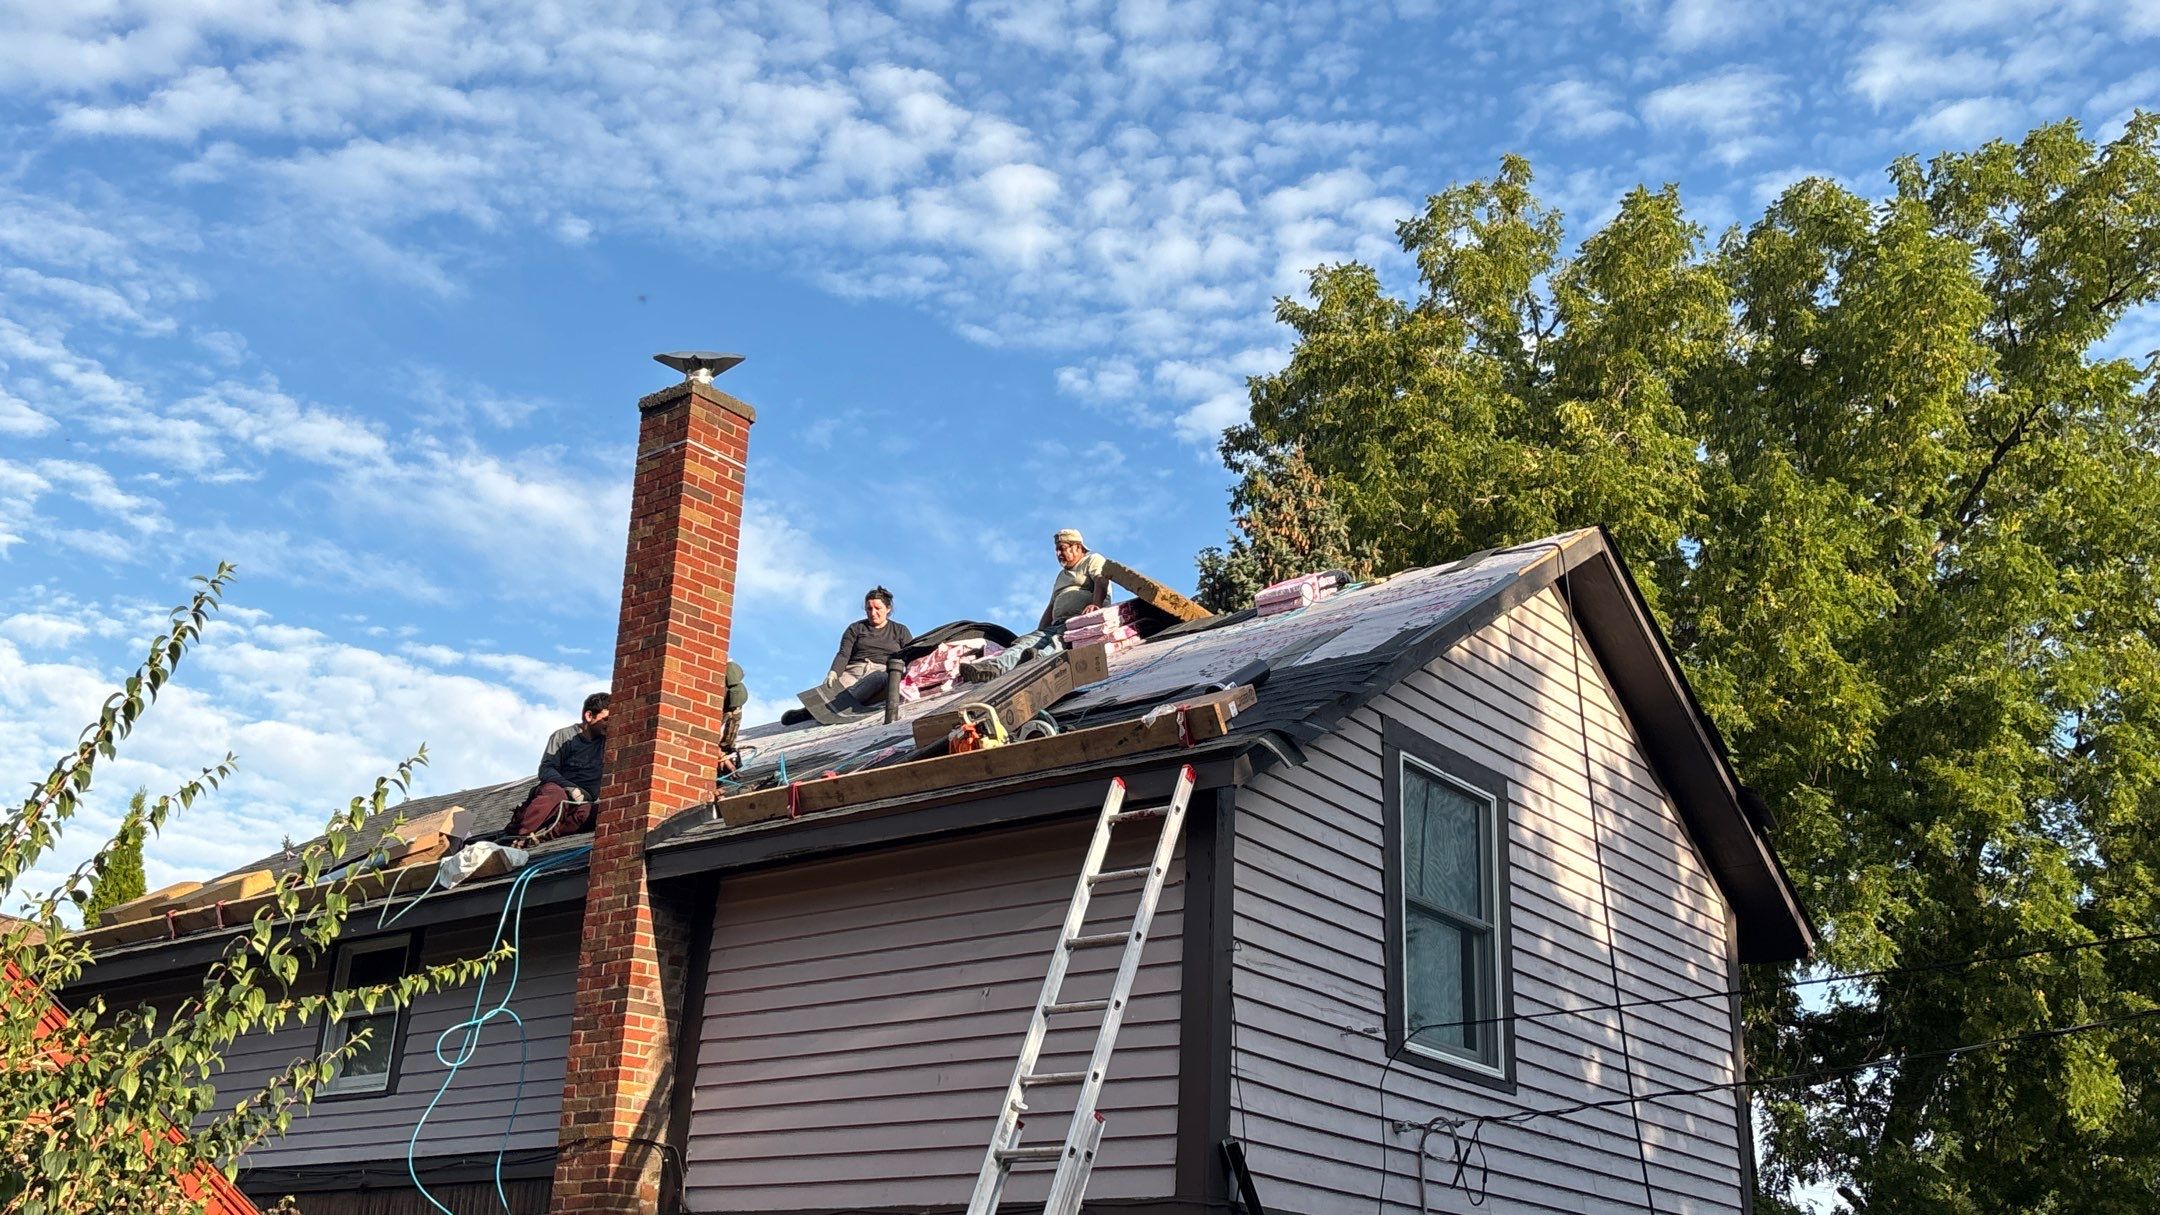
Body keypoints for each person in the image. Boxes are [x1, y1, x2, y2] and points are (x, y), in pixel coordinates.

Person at [962, 528, 1110, 681]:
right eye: (1057, 550)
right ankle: (993, 668)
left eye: (1062, 548)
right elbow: (1051, 605)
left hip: (1079, 621)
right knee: (1026, 643)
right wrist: (1039, 632)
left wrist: (1096, 604)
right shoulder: (1061, 576)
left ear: (1077, 547)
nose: (1058, 554)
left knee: (1059, 642)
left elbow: (1101, 580)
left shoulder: (1092, 560)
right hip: (1057, 623)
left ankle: (1037, 662)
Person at [797, 587, 913, 724]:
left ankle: (826, 708)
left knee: (878, 677)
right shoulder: (855, 628)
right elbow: (843, 654)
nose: (873, 613)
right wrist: (833, 673)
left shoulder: (900, 630)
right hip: (854, 670)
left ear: (888, 609)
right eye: (869, 609)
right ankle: (811, 711)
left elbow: (911, 654)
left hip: (883, 671)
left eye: (877, 608)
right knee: (832, 687)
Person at [509, 692, 609, 845]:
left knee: (599, 812)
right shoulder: (563, 736)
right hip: (557, 796)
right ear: (589, 716)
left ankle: (542, 835)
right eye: (606, 719)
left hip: (579, 806)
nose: (610, 724)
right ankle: (518, 837)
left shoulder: (608, 741)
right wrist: (570, 788)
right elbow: (546, 769)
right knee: (555, 794)